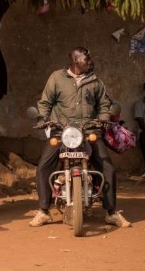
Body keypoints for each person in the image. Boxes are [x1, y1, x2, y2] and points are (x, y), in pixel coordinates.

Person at [30, 47, 131, 228]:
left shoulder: (96, 82)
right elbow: (45, 102)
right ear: (76, 61)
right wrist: (43, 119)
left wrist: (103, 121)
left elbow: (104, 105)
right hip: (61, 131)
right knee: (43, 167)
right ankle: (43, 211)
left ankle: (111, 212)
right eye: (86, 59)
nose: (90, 62)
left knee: (107, 168)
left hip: (89, 131)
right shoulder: (57, 78)